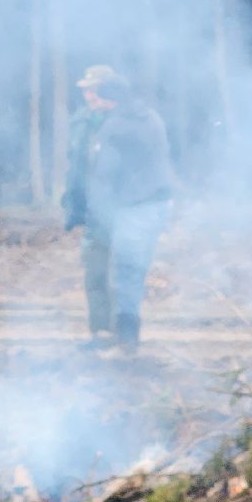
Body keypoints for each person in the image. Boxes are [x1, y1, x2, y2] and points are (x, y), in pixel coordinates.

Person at [63, 65, 174, 355]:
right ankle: (106, 334)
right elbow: (78, 166)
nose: (89, 96)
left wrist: (100, 210)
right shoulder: (88, 121)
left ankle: (125, 340)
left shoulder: (120, 124)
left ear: (108, 93)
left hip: (126, 207)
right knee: (101, 271)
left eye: (95, 90)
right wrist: (74, 204)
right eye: (86, 91)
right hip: (115, 207)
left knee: (126, 271)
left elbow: (105, 174)